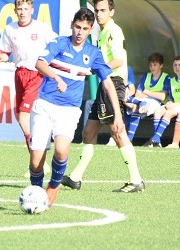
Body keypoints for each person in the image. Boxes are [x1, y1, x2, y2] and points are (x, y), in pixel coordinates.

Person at [29, 7, 125, 207]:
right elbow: (39, 63)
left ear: (91, 30)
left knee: (62, 151)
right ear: (72, 26)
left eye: (85, 28)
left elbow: (108, 82)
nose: (80, 32)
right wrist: (55, 77)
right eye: (77, 27)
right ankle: (35, 193)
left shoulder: (93, 53)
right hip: (45, 104)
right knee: (36, 160)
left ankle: (53, 187)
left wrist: (117, 114)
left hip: (69, 110)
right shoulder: (59, 43)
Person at [61, 0, 144, 194]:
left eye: (103, 10)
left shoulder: (113, 31)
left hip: (113, 83)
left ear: (112, 12)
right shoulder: (103, 30)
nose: (99, 14)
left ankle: (136, 179)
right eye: (97, 10)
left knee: (117, 131)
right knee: (88, 133)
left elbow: (117, 60)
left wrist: (91, 68)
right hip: (105, 84)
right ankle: (75, 178)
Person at [0, 0, 57, 176]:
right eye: (19, 9)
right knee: (22, 117)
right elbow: (5, 53)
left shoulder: (41, 28)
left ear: (32, 10)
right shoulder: (10, 29)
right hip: (19, 74)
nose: (22, 12)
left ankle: (39, 161)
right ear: (15, 10)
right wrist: (0, 57)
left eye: (26, 9)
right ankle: (39, 154)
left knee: (24, 117)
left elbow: (56, 44)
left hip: (36, 74)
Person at [145, 55, 180, 147]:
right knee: (158, 111)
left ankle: (155, 138)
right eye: (175, 65)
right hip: (175, 105)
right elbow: (171, 98)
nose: (177, 67)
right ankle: (157, 141)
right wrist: (169, 103)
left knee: (168, 113)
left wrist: (174, 105)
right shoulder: (171, 81)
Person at [125, 52, 170, 143]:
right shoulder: (146, 76)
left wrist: (147, 92)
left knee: (137, 106)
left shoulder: (166, 77)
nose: (152, 67)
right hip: (143, 100)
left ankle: (129, 138)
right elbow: (138, 94)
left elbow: (162, 96)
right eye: (150, 65)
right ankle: (129, 140)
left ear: (161, 65)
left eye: (155, 65)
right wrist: (152, 94)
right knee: (130, 102)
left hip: (157, 103)